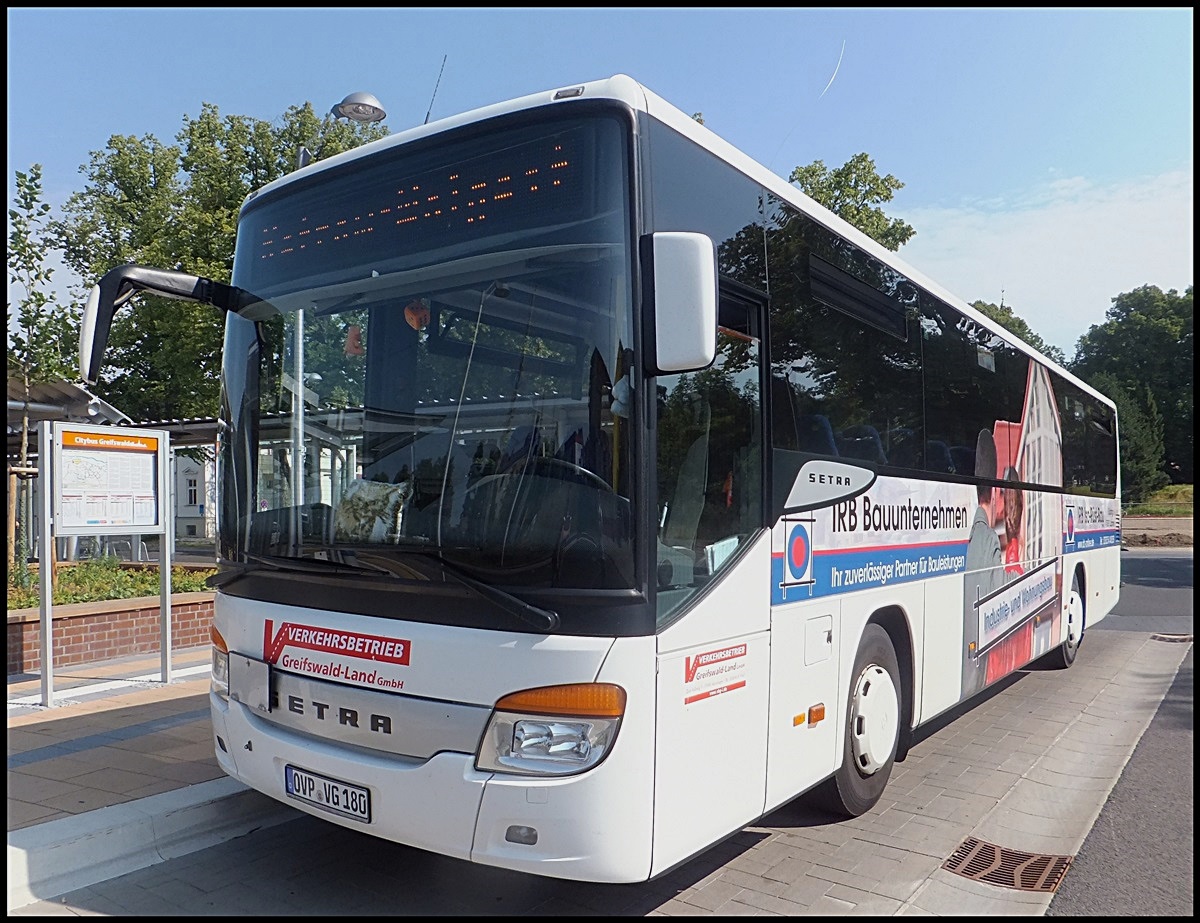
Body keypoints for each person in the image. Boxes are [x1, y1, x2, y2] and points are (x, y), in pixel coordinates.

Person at [962, 428, 1003, 697]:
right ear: (996, 490)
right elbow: (1000, 599)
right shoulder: (988, 539)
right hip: (972, 672)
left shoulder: (967, 531)